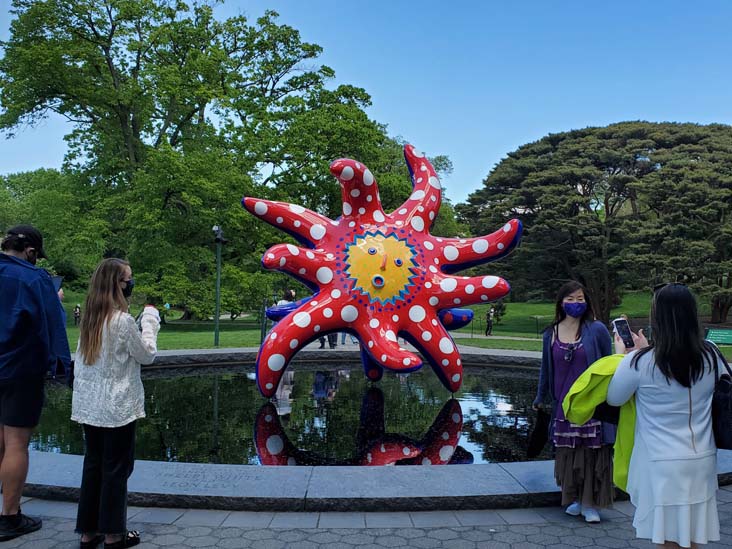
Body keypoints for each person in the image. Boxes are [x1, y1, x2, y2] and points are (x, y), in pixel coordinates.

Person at [607, 283, 720, 548]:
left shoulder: (640, 362)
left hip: (661, 462)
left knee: (667, 539)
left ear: (657, 317)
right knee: (693, 535)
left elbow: (615, 398)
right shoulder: (711, 354)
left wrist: (622, 356)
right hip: (702, 458)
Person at [71, 258, 160, 549]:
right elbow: (146, 354)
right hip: (118, 407)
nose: (131, 284)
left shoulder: (89, 319)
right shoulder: (121, 321)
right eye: (127, 280)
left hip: (90, 407)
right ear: (116, 285)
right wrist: (150, 322)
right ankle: (113, 535)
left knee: (93, 466)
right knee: (116, 470)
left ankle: (88, 532)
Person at [0, 225, 71, 541]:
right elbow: (53, 326)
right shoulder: (35, 278)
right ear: (30, 252)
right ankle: (10, 517)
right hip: (20, 370)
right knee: (16, 444)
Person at [533, 281, 613, 523]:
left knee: (592, 454)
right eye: (571, 299)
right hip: (563, 405)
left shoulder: (596, 329)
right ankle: (576, 499)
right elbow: (546, 370)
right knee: (569, 454)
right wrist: (540, 398)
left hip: (592, 404)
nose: (576, 304)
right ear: (561, 302)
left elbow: (609, 364)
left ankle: (591, 503)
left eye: (580, 299)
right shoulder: (551, 333)